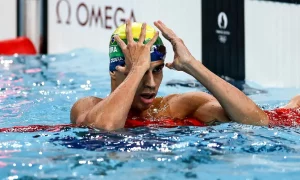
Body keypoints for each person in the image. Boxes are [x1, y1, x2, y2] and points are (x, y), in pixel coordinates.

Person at [70, 20, 300, 130]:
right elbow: (106, 129)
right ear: (114, 73)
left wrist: (192, 65)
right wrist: (138, 67)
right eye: (141, 73)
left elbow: (257, 121)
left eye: (157, 70)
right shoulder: (86, 107)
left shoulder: (177, 107)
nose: (151, 83)